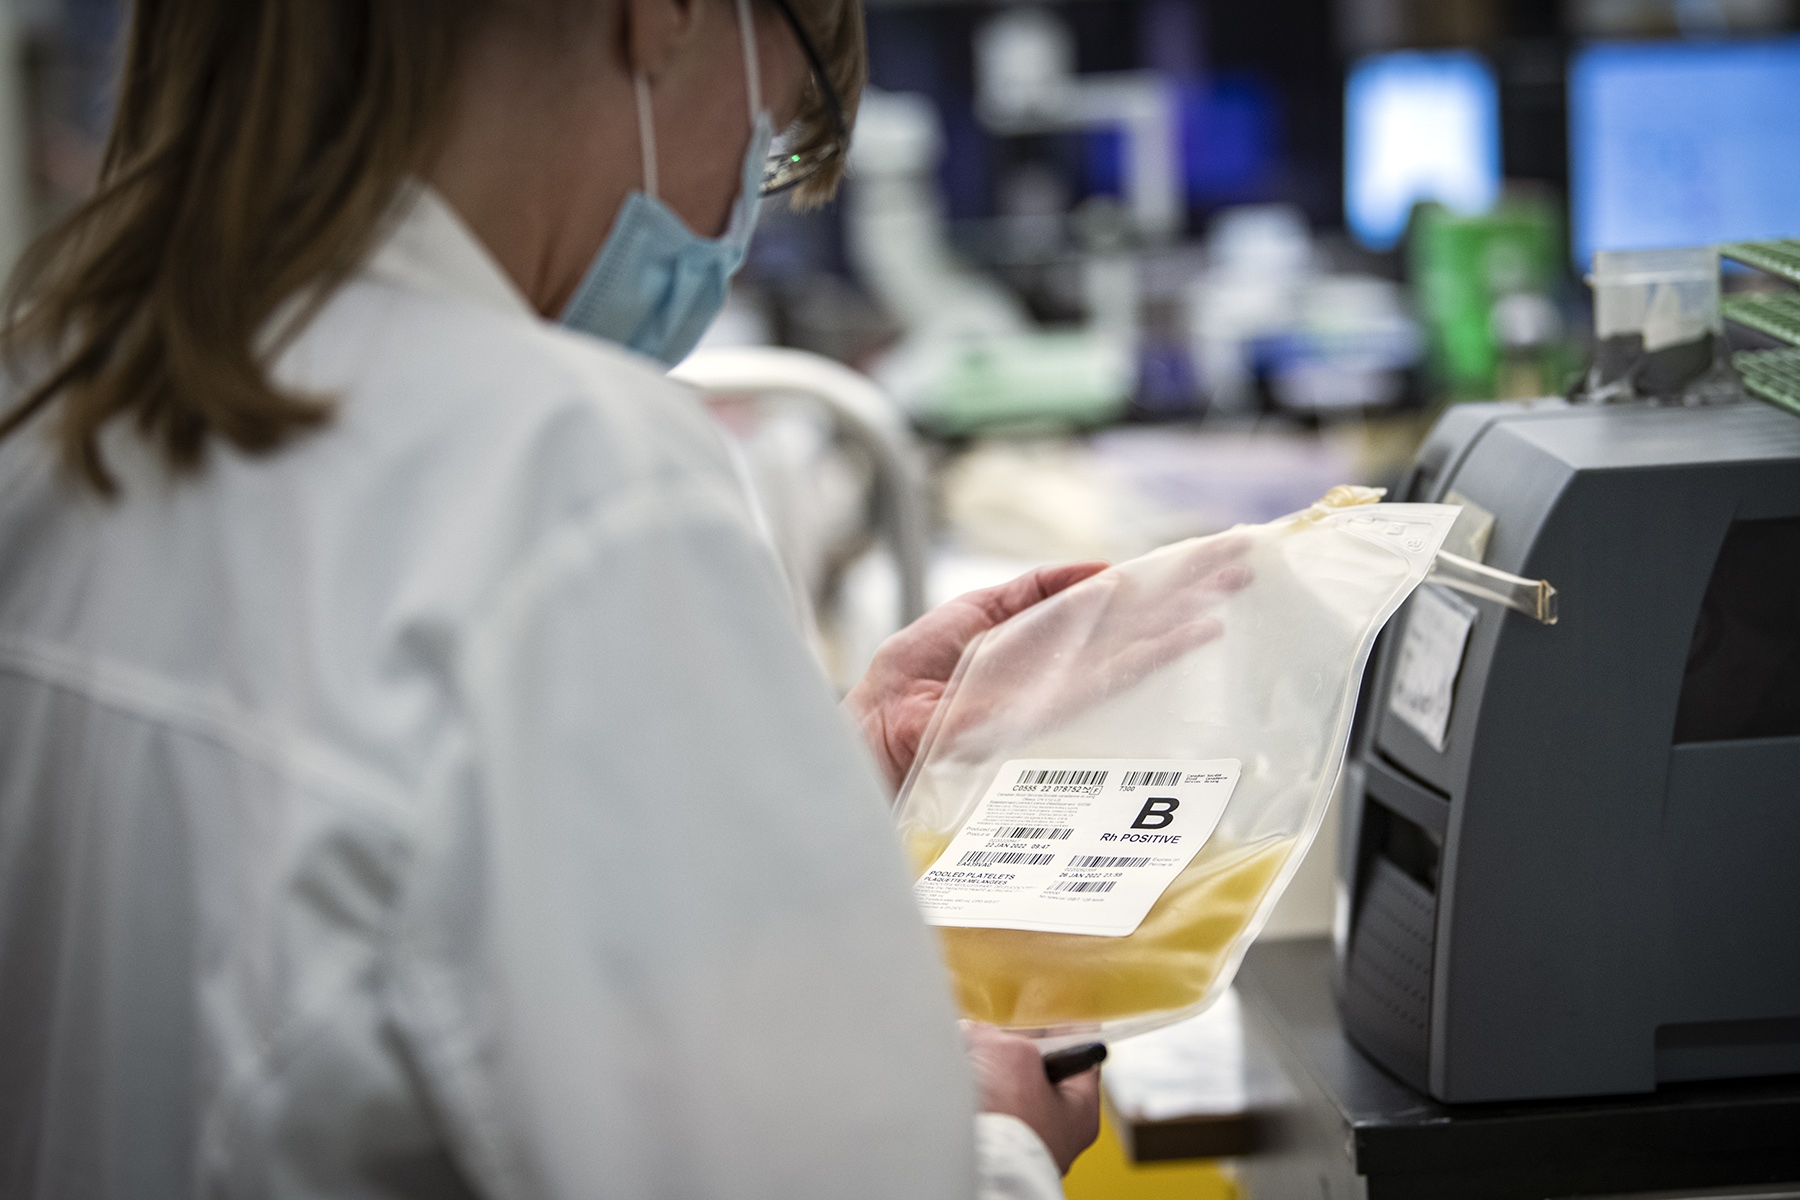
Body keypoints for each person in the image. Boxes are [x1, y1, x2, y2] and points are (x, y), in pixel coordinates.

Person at [0, 0, 1126, 1195]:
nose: (731, 224)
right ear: (667, 17)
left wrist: (799, 777)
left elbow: (352, 906)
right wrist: (1001, 1145)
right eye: (771, 142)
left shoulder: (48, 412)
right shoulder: (572, 477)